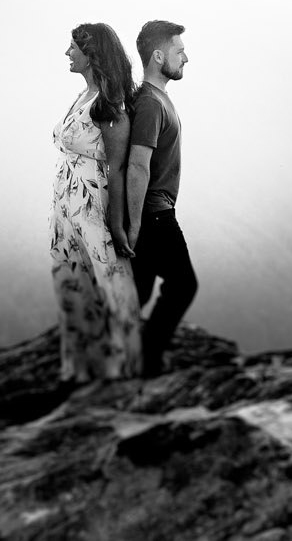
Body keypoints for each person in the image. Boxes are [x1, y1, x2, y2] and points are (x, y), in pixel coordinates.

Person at [48, 22, 144, 382]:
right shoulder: (84, 95)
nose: (68, 53)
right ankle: (82, 370)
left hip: (93, 202)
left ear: (92, 56)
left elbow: (117, 167)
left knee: (109, 279)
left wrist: (118, 223)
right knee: (72, 280)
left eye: (74, 48)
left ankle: (124, 368)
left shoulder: (109, 103)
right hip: (67, 202)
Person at [125, 19, 196, 377]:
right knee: (183, 285)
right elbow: (138, 164)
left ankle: (123, 359)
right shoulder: (151, 104)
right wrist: (135, 223)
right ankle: (146, 362)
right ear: (157, 55)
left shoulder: (157, 98)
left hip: (152, 214)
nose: (186, 58)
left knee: (137, 293)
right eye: (179, 51)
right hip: (154, 216)